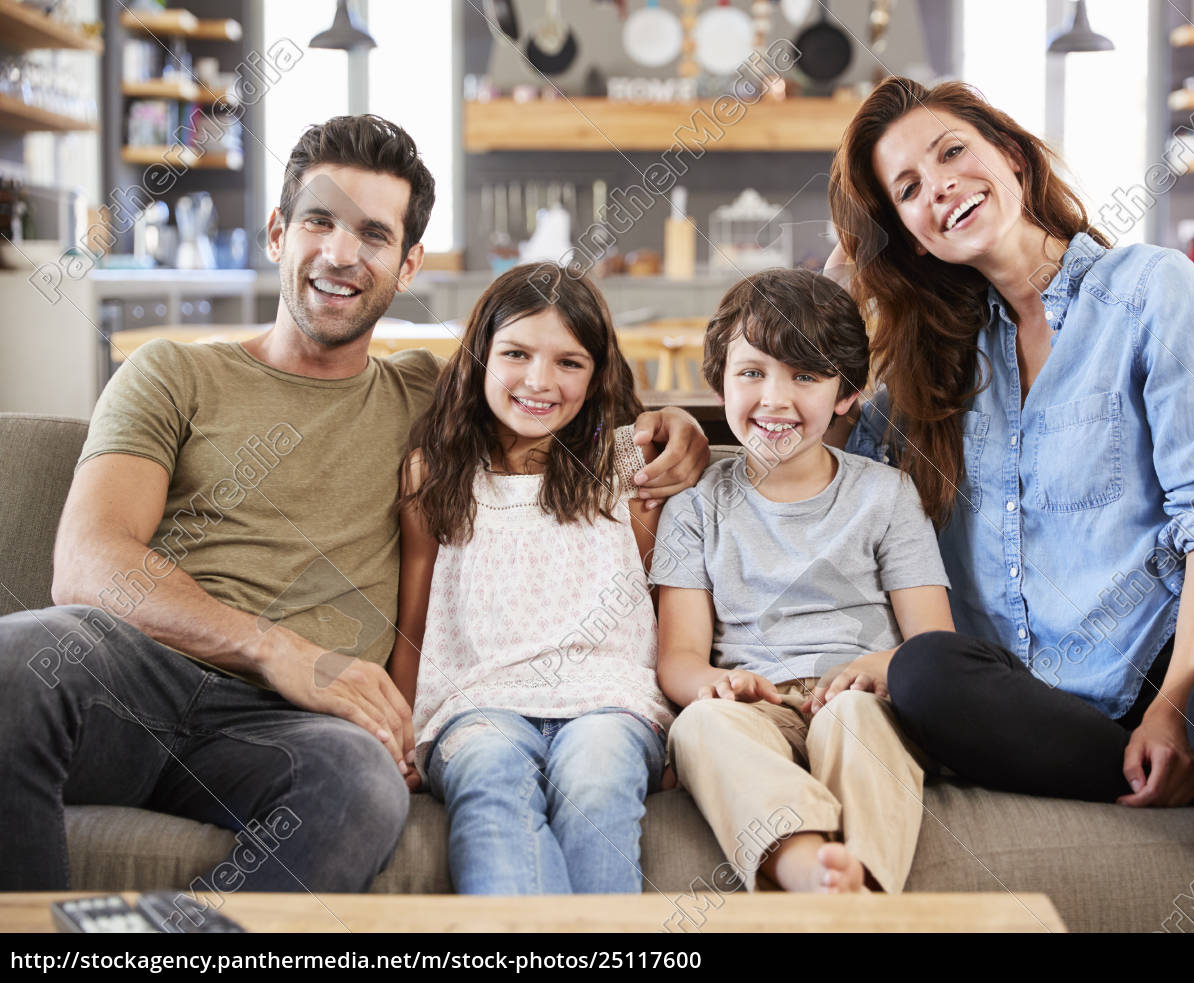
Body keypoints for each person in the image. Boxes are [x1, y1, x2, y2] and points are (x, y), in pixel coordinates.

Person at [0, 116, 709, 892]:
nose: (342, 253)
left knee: (363, 789)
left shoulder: (431, 397)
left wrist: (679, 428)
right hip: (140, 677)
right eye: (319, 221)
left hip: (293, 731)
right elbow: (89, 563)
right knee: (18, 659)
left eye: (373, 234)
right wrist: (279, 648)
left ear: (407, 265)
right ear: (277, 231)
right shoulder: (170, 373)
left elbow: (556, 395)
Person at [825, 76, 1194, 930]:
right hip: (1044, 710)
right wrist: (846, 281)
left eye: (952, 153)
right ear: (905, 233)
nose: (938, 185)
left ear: (1011, 157)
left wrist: (1173, 705)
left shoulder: (1149, 289)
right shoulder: (930, 365)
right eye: (907, 189)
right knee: (923, 671)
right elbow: (822, 473)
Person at [651, 268, 953, 894]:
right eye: (752, 372)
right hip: (756, 706)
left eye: (806, 376)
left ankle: (864, 881)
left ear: (846, 395)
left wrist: (874, 667)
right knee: (699, 727)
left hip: (864, 701)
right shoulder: (694, 508)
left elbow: (935, 648)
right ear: (721, 380)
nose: (775, 399)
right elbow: (679, 659)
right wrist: (717, 683)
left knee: (855, 723)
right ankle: (813, 875)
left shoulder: (887, 495)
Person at [387, 263, 674, 895]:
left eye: (569, 362)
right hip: (475, 706)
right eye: (516, 353)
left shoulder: (629, 465)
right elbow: (415, 618)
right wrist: (401, 729)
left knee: (597, 781)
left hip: (610, 703)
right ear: (479, 357)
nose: (540, 382)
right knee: (490, 780)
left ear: (597, 375)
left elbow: (661, 603)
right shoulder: (432, 472)